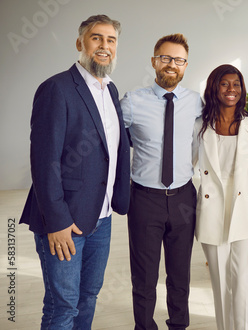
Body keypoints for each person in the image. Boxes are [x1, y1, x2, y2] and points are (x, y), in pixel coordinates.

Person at [19, 14, 130, 329]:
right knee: (62, 307)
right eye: (97, 38)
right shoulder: (56, 88)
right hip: (64, 221)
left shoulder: (109, 90)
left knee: (88, 297)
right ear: (80, 43)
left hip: (102, 218)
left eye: (111, 40)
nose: (104, 46)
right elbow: (44, 160)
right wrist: (57, 221)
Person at [121, 33, 203, 330]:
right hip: (145, 200)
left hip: (183, 197)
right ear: (154, 61)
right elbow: (112, 139)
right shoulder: (132, 102)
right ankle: (144, 326)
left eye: (178, 60)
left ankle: (178, 326)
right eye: (166, 58)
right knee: (143, 276)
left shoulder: (196, 102)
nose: (172, 65)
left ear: (185, 65)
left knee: (180, 275)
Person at [192, 64, 248, 330]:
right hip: (212, 210)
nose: (231, 89)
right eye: (224, 84)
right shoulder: (201, 126)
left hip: (245, 211)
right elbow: (189, 165)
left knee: (242, 281)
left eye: (236, 84)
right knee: (220, 281)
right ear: (214, 87)